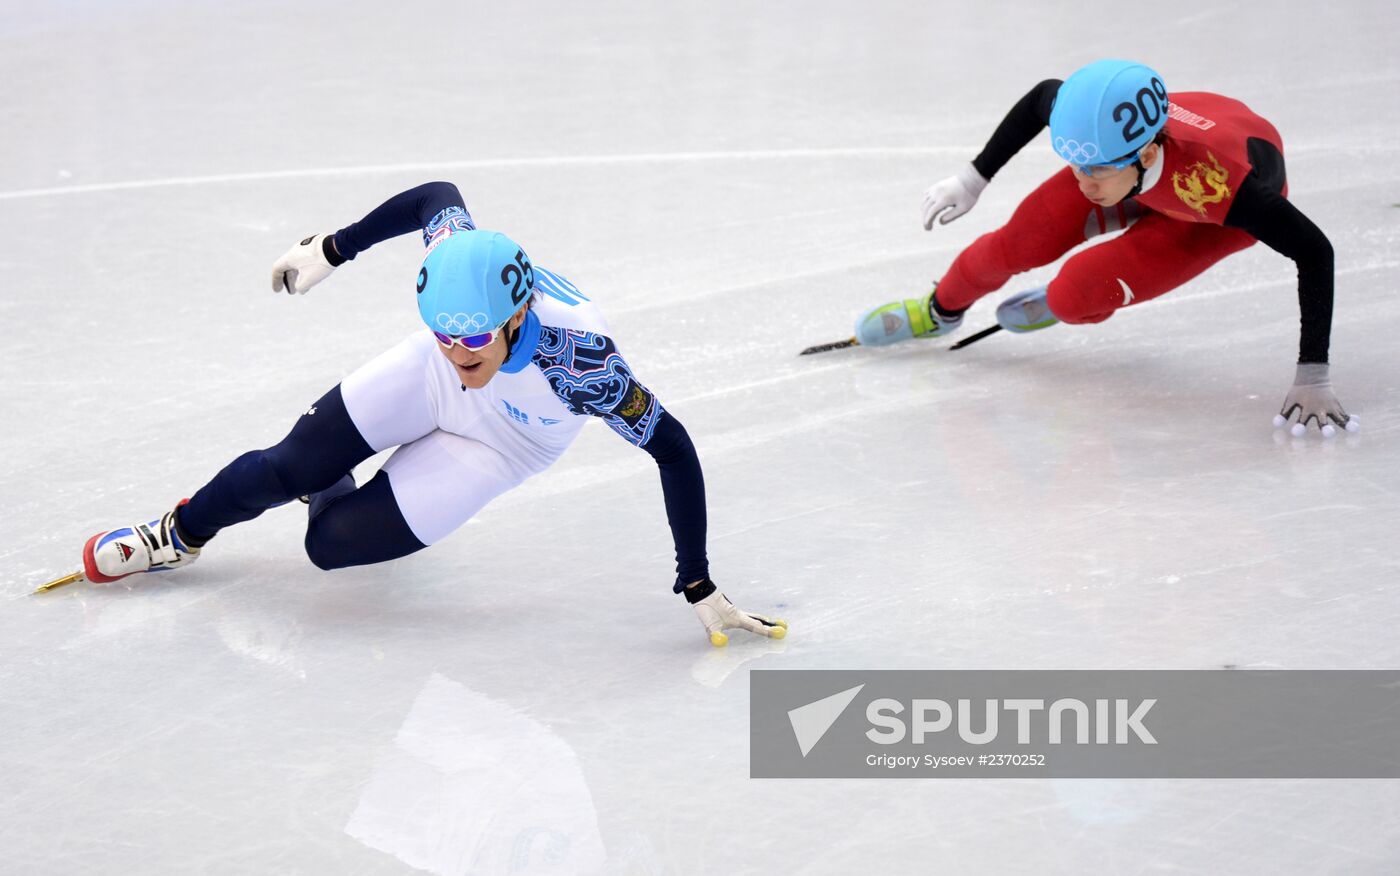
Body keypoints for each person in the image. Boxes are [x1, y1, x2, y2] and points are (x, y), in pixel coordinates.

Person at [74, 181, 786, 647]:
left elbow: (674, 448)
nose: (458, 351)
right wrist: (333, 248)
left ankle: (329, 475)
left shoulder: (583, 365)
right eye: (444, 332)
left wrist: (695, 576)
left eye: (473, 338)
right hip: (424, 391)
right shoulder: (457, 295)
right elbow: (436, 197)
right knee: (284, 463)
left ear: (514, 318)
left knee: (328, 547)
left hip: (503, 446)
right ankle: (178, 533)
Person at [854, 59, 1355, 436]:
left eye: (1094, 169)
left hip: (1210, 216)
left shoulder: (1228, 187)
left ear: (1148, 153)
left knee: (1076, 293)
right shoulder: (1100, 144)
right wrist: (972, 178)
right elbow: (1041, 98)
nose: (1082, 181)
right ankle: (940, 310)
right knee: (1015, 243)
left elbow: (1315, 252)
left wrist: (1313, 374)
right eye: (1075, 165)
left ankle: (1064, 301)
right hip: (1151, 170)